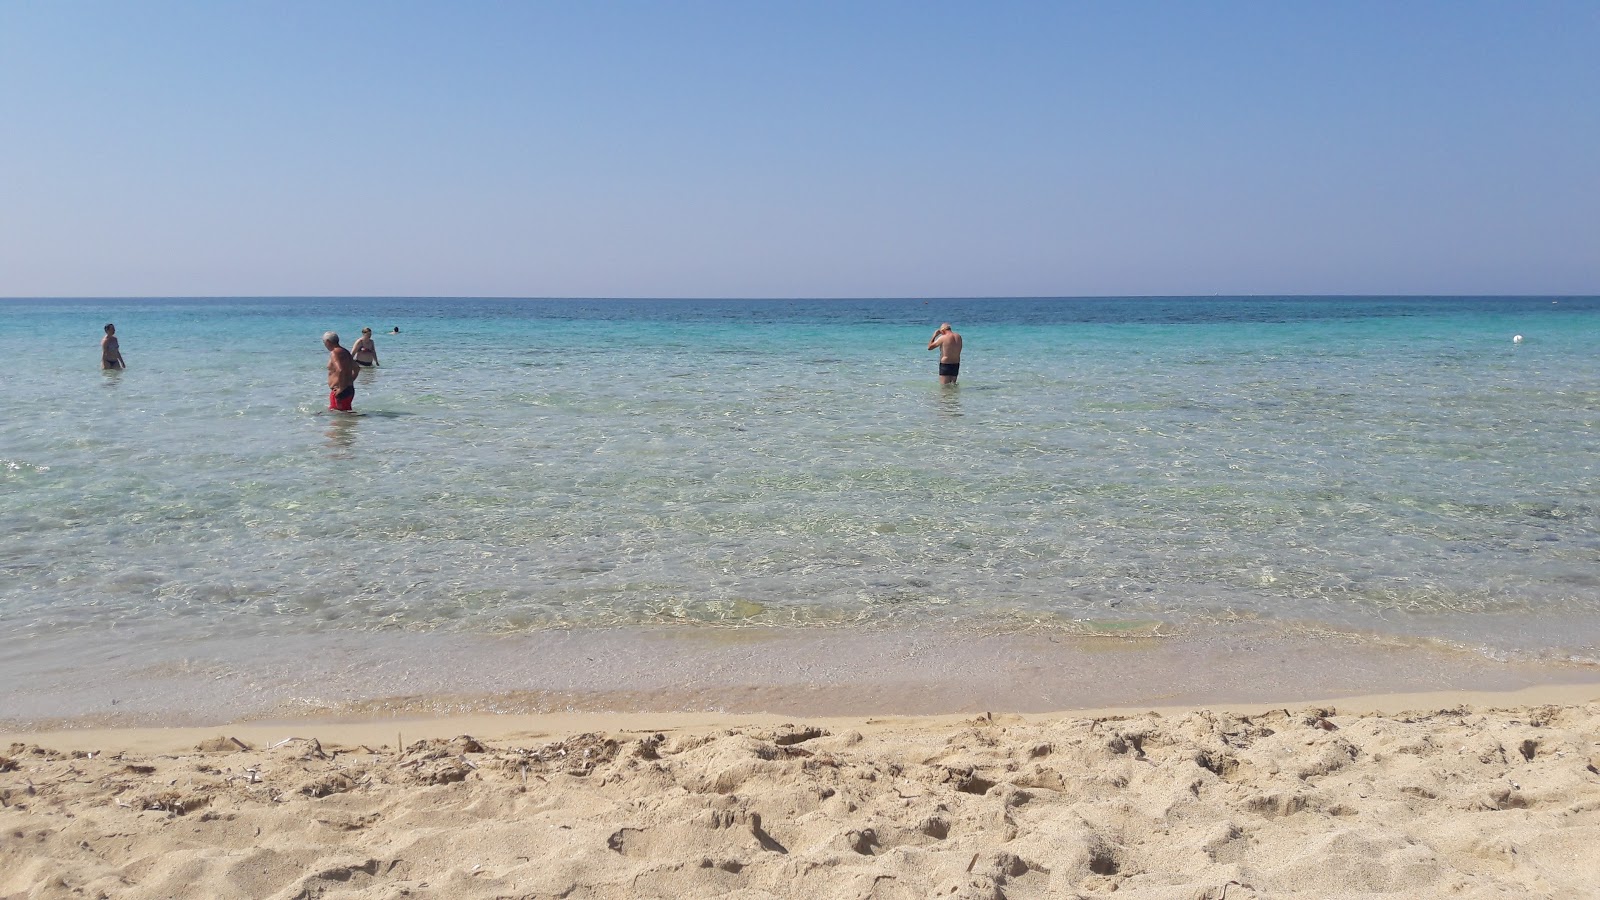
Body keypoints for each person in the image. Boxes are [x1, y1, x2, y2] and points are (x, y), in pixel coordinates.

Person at [324, 331, 358, 411]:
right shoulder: (345, 351)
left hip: (340, 391)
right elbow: (357, 368)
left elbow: (340, 370)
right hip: (349, 389)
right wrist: (350, 380)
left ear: (328, 342)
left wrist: (341, 388)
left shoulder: (334, 353)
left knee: (338, 419)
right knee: (344, 416)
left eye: (324, 342)